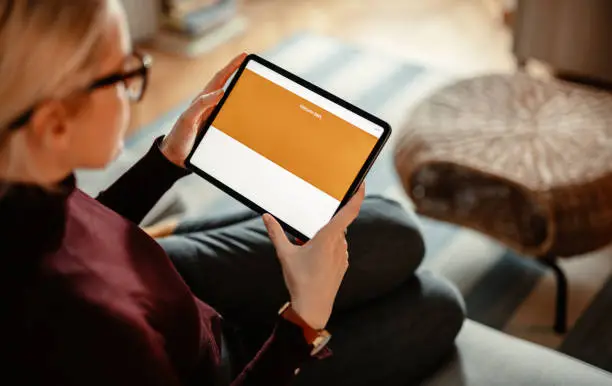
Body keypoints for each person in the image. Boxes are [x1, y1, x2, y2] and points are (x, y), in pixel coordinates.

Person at [0, 1, 465, 385]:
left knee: (396, 228)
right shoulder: (97, 332)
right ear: (54, 124)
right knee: (438, 304)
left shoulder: (22, 188)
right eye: (125, 75)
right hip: (217, 364)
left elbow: (77, 235)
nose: (136, 83)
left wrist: (165, 163)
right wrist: (303, 321)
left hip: (166, 278)